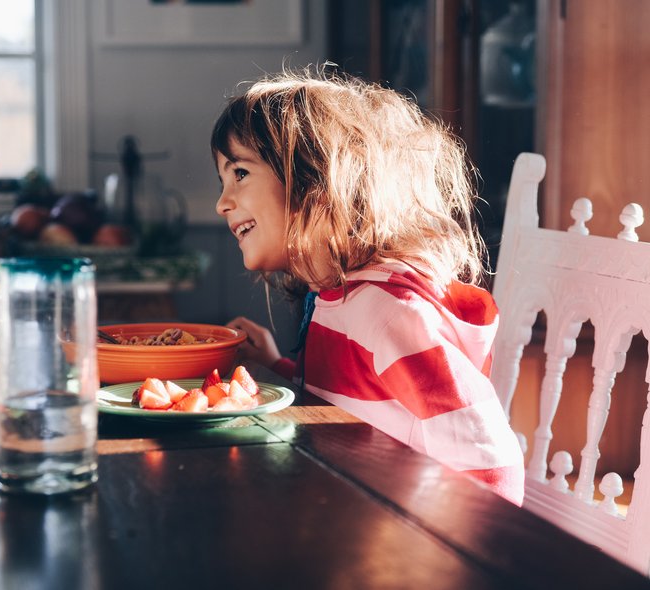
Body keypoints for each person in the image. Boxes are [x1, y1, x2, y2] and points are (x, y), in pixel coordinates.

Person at [212, 65, 524, 505]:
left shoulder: (389, 314)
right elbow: (346, 408)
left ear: (316, 180)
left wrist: (467, 562)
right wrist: (277, 367)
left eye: (239, 174)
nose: (222, 202)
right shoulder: (337, 296)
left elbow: (491, 458)